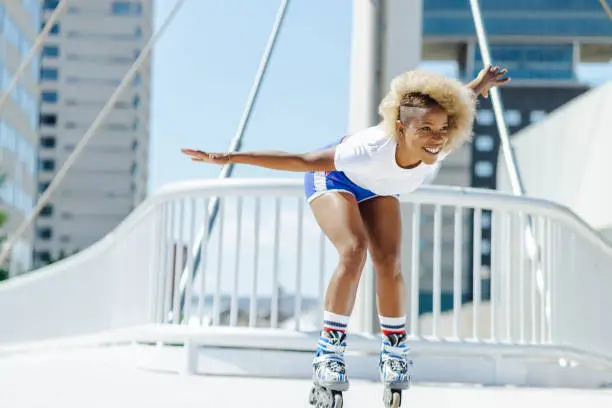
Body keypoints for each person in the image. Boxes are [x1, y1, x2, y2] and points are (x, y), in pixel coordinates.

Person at [181, 65, 509, 403]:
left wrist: (478, 85)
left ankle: (394, 350)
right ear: (400, 128)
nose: (436, 137)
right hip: (334, 177)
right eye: (425, 129)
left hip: (378, 186)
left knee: (390, 260)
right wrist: (229, 158)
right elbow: (302, 159)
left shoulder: (436, 149)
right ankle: (329, 352)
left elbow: (454, 103)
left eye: (441, 129)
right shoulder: (368, 148)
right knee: (355, 249)